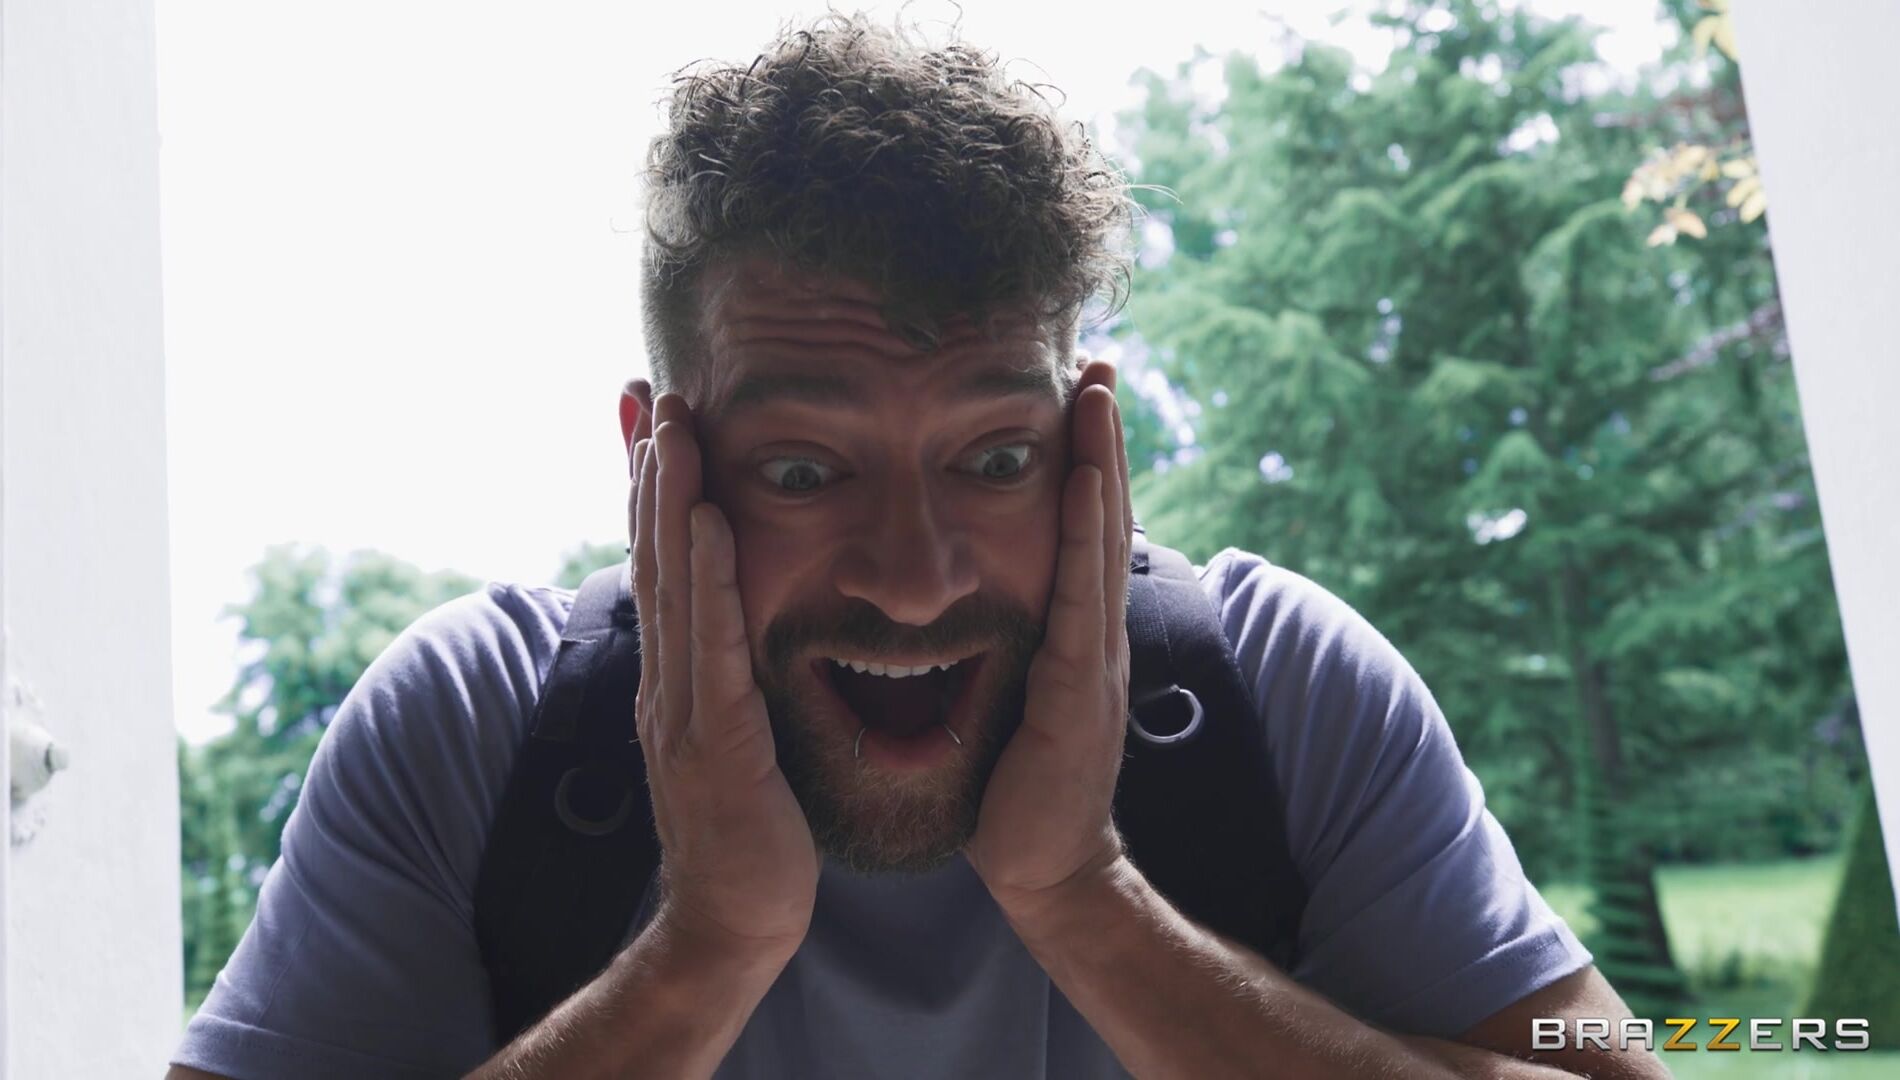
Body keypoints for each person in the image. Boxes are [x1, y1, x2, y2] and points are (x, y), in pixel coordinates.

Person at [168, 13, 1669, 1079]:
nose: (915, 577)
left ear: (1088, 446)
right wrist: (704, 949)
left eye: (995, 460)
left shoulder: (1284, 692)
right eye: (804, 470)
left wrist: (1089, 899)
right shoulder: (474, 726)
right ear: (654, 461)